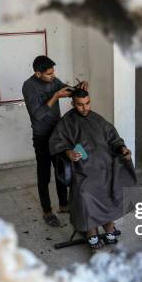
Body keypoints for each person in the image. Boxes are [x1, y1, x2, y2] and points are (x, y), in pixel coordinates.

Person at [49, 88, 137, 250]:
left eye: (87, 103)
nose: (85, 108)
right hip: (83, 168)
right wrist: (68, 152)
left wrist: (122, 149)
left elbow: (114, 139)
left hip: (106, 164)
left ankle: (109, 226)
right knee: (85, 192)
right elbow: (55, 143)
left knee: (112, 186)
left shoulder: (98, 119)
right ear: (73, 104)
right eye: (80, 105)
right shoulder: (66, 123)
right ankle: (91, 231)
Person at [22, 55, 89, 227]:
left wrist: (77, 88)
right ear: (38, 74)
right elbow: (37, 114)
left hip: (57, 134)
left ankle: (64, 205)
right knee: (44, 175)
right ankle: (47, 212)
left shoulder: (54, 80)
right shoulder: (29, 86)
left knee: (62, 169)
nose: (53, 76)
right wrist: (55, 96)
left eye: (53, 72)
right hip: (42, 136)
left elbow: (66, 90)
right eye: (49, 74)